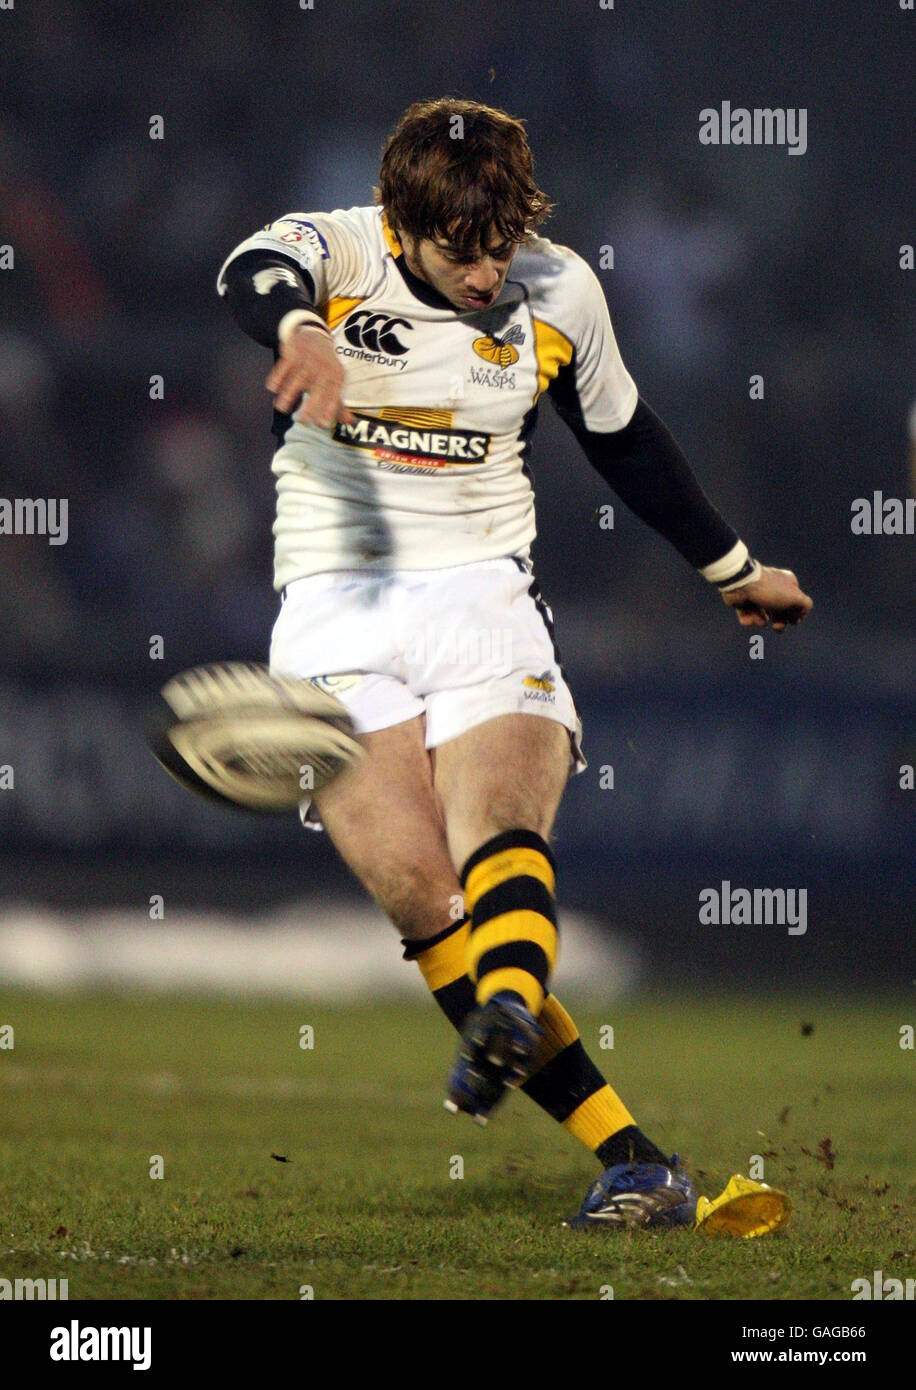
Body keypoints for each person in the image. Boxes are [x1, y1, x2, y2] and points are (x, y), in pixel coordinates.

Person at [217, 98, 812, 1229]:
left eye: (501, 244)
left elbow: (625, 439)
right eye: (460, 249)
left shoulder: (560, 289)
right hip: (333, 615)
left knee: (499, 832)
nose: (486, 272)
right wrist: (299, 331)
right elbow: (249, 271)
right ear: (402, 219)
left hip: (482, 591)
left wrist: (731, 567)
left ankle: (514, 1020)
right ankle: (631, 1149)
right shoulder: (336, 248)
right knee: (416, 886)